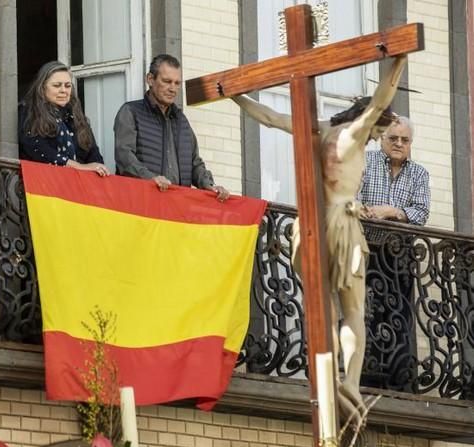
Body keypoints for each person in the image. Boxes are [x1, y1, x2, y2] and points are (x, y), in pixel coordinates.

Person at [231, 55, 407, 423]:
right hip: (342, 222)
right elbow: (381, 98)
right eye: (378, 133)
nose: (375, 139)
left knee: (322, 304)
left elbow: (270, 117)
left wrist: (235, 96)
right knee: (354, 308)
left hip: (310, 222)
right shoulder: (354, 132)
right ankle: (352, 383)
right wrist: (399, 61)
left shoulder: (318, 129)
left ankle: (326, 374)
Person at [359, 116, 430, 389]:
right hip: (366, 248)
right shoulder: (366, 161)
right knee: (367, 309)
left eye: (404, 140)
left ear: (410, 143)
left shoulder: (420, 174)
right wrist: (364, 210)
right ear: (382, 139)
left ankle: (397, 376)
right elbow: (351, 195)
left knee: (399, 312)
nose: (399, 144)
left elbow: (420, 213)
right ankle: (367, 368)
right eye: (393, 138)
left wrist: (391, 211)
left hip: (400, 253)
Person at [113, 54, 230, 201]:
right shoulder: (130, 112)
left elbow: (195, 163)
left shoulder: (182, 121)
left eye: (177, 83)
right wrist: (151, 178)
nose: (173, 89)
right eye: (167, 81)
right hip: (141, 205)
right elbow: (124, 158)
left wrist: (210, 185)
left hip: (177, 210)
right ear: (150, 79)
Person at [19, 61, 109, 177]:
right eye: (57, 85)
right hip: (42, 184)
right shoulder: (29, 111)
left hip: (78, 188)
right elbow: (36, 148)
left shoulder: (78, 119)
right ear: (42, 88)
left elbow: (94, 157)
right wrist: (79, 167)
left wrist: (97, 168)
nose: (63, 90)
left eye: (68, 86)